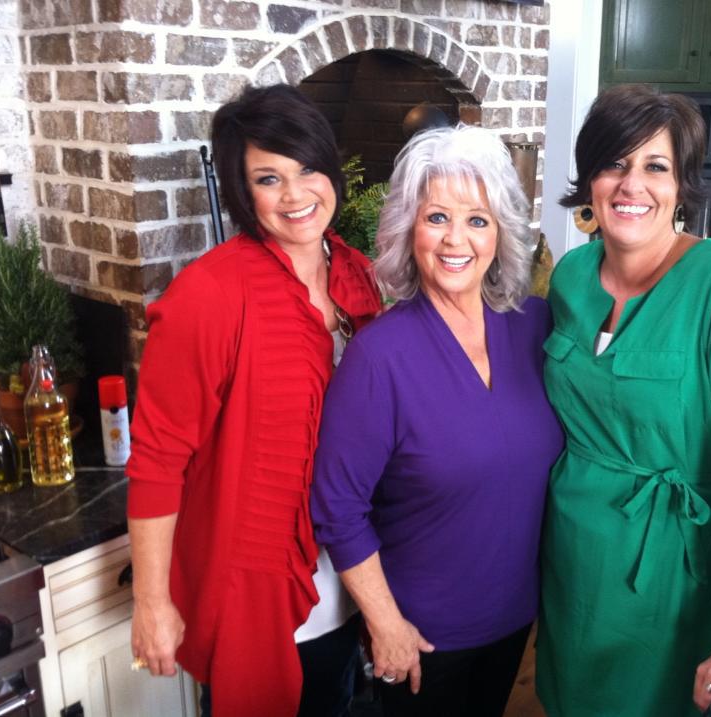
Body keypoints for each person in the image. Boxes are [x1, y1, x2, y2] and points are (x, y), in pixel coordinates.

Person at [126, 84, 381, 717]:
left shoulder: (362, 277)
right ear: (244, 193)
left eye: (308, 169)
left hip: (351, 586)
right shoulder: (209, 295)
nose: (295, 195)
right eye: (269, 179)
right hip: (254, 600)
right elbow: (157, 460)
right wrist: (152, 602)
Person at [536, 84, 711, 716]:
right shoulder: (570, 276)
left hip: (670, 569)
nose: (631, 186)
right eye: (613, 164)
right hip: (571, 558)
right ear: (590, 180)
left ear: (682, 185)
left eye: (656, 167)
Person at [311, 124, 564, 717]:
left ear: (500, 233)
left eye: (477, 220)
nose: (456, 239)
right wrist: (384, 622)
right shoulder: (379, 357)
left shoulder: (535, 326)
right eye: (437, 218)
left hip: (515, 619)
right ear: (409, 230)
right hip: (421, 637)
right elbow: (337, 506)